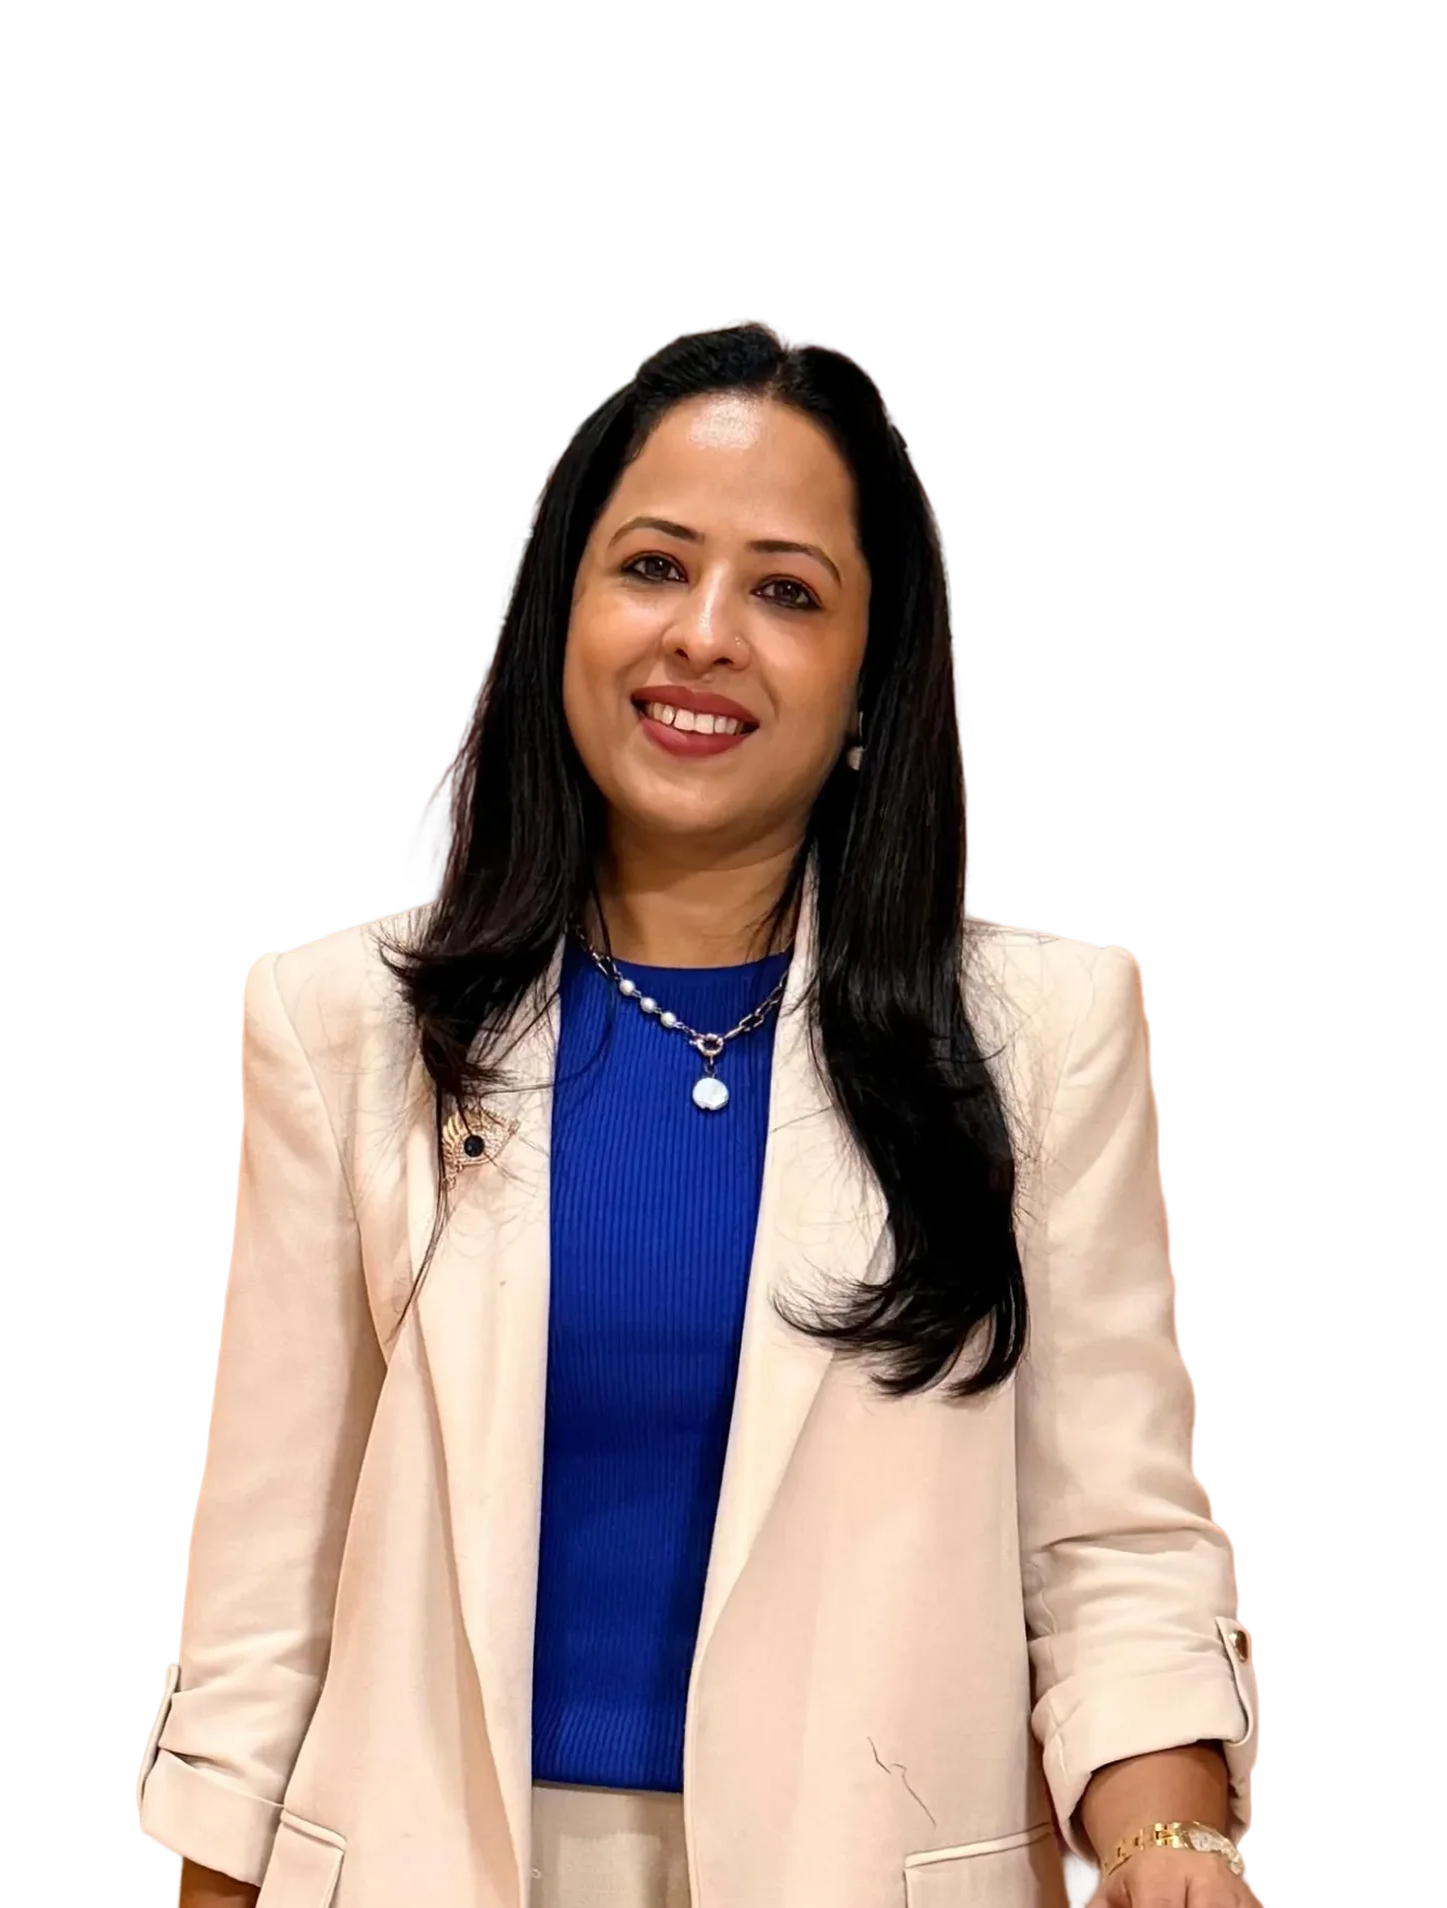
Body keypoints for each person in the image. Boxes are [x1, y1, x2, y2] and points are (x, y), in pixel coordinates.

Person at [135, 318, 1260, 1907]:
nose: (706, 635)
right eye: (654, 567)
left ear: (869, 680)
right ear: (560, 613)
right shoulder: (342, 1025)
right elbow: (263, 1602)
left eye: (787, 592)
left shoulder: (1040, 1036)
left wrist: (1170, 1838)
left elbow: (1114, 1549)